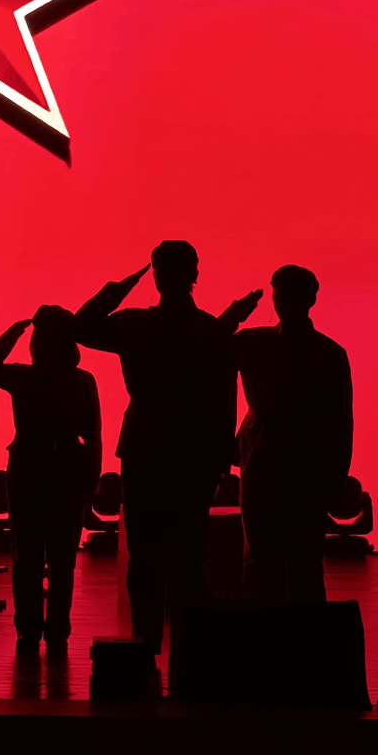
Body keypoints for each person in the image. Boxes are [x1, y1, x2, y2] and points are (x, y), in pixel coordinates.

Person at [76, 241, 259, 652]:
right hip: (193, 454)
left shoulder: (135, 324)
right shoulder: (212, 330)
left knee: (145, 555)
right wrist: (220, 461)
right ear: (195, 275)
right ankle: (188, 648)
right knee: (187, 556)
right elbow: (223, 402)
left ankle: (144, 642)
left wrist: (123, 285)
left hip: (145, 449)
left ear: (156, 276)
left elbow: (80, 326)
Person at [234, 265, 354, 603]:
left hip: (289, 464)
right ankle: (293, 630)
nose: (284, 300)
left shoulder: (254, 343)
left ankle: (283, 629)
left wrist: (335, 478)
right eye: (282, 292)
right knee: (278, 560)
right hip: (278, 463)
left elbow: (341, 421)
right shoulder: (327, 352)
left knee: (292, 562)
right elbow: (341, 422)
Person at [0, 306, 102, 653]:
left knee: (44, 559)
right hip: (50, 469)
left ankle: (40, 631)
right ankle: (46, 631)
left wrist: (14, 331)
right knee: (42, 559)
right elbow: (93, 436)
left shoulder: (28, 377)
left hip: (41, 469)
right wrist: (91, 478)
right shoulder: (77, 380)